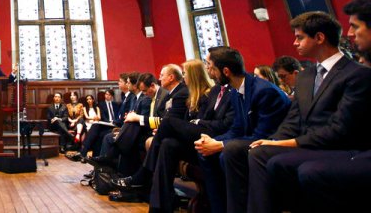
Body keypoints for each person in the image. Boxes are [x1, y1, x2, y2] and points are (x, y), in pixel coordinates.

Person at [246, 11, 371, 212]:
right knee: (258, 152)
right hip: (308, 143)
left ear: (319, 38)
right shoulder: (306, 76)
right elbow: (293, 120)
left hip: (339, 147)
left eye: (300, 37)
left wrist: (288, 143)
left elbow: (341, 128)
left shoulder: (356, 74)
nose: (295, 43)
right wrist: (274, 140)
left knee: (282, 163)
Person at [110, 58, 230, 210]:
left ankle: (142, 175)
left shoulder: (207, 93)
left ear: (192, 75)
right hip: (193, 136)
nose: (183, 76)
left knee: (166, 124)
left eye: (185, 73)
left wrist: (196, 123)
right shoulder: (192, 94)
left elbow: (209, 122)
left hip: (208, 137)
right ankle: (160, 206)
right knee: (167, 144)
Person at [192, 46, 290, 213]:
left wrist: (222, 144)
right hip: (250, 141)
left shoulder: (264, 91)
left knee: (228, 152)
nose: (209, 71)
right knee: (204, 151)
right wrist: (214, 141)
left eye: (211, 67)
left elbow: (264, 135)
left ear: (226, 71)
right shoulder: (237, 91)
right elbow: (237, 128)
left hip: (272, 143)